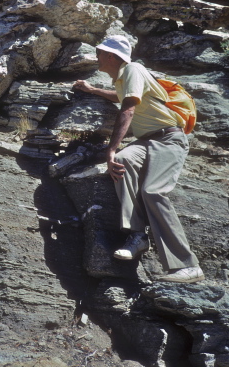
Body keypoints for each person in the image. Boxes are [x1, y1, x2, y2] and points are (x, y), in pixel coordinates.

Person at [73, 34, 204, 283]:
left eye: (100, 52)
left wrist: (111, 148)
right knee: (123, 161)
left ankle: (187, 266)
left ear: (111, 56)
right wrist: (92, 90)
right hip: (147, 141)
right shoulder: (123, 79)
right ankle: (137, 236)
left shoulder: (133, 68)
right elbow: (120, 97)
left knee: (153, 192)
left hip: (168, 139)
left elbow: (128, 108)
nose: (97, 57)